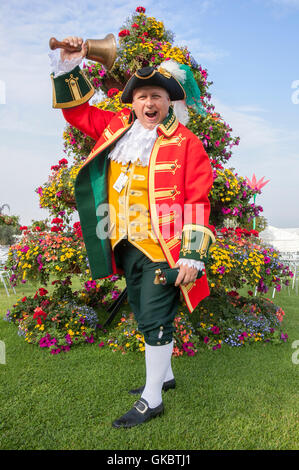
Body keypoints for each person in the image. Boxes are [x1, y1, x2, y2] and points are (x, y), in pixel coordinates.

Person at [49, 36, 215, 428]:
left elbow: (197, 198)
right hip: (123, 243)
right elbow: (77, 113)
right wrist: (71, 64)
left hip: (163, 248)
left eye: (156, 95)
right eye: (141, 97)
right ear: (133, 102)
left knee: (155, 317)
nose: (149, 104)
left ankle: (152, 398)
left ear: (168, 100)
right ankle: (167, 376)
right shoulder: (116, 128)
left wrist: (193, 254)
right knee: (143, 312)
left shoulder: (186, 143)